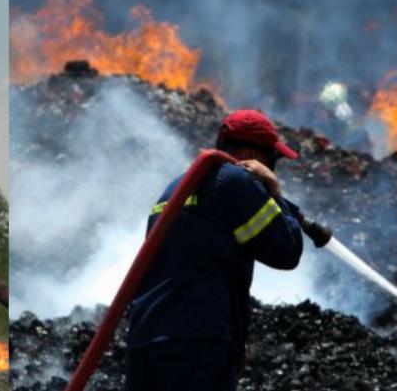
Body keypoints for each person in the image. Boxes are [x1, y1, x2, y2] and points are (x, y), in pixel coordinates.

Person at [125, 109, 306, 391]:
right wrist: (273, 190)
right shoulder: (235, 182)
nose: (273, 167)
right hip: (197, 338)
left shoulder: (175, 189)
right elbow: (286, 251)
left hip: (145, 337)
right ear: (253, 155)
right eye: (273, 160)